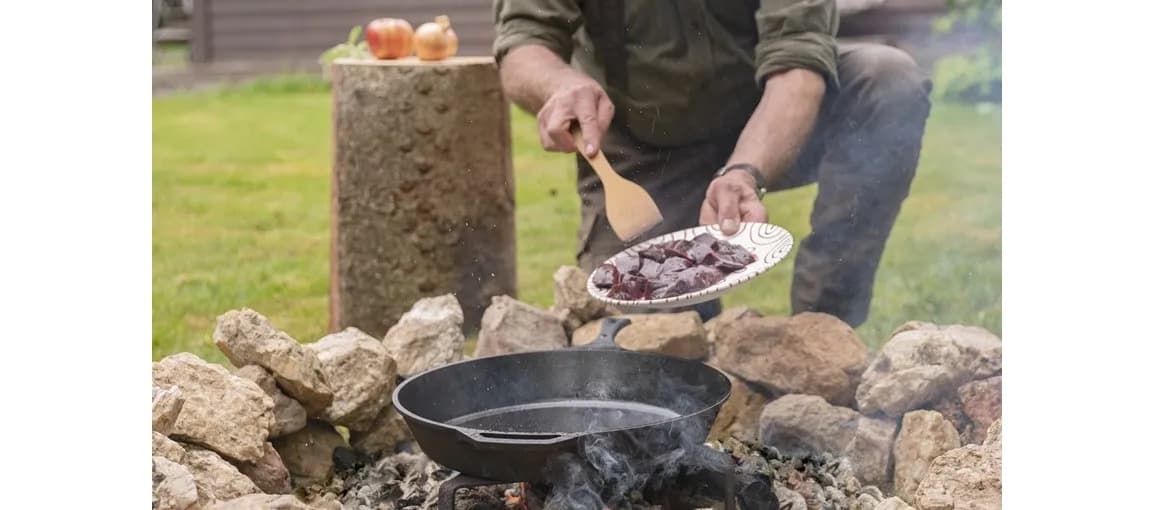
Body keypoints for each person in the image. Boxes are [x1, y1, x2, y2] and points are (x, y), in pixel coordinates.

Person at [492, 0, 932, 326]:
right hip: (643, 151)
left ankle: (823, 323)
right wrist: (560, 83)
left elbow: (797, 66)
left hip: (767, 120)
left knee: (887, 80)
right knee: (642, 346)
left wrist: (745, 171)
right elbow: (522, 44)